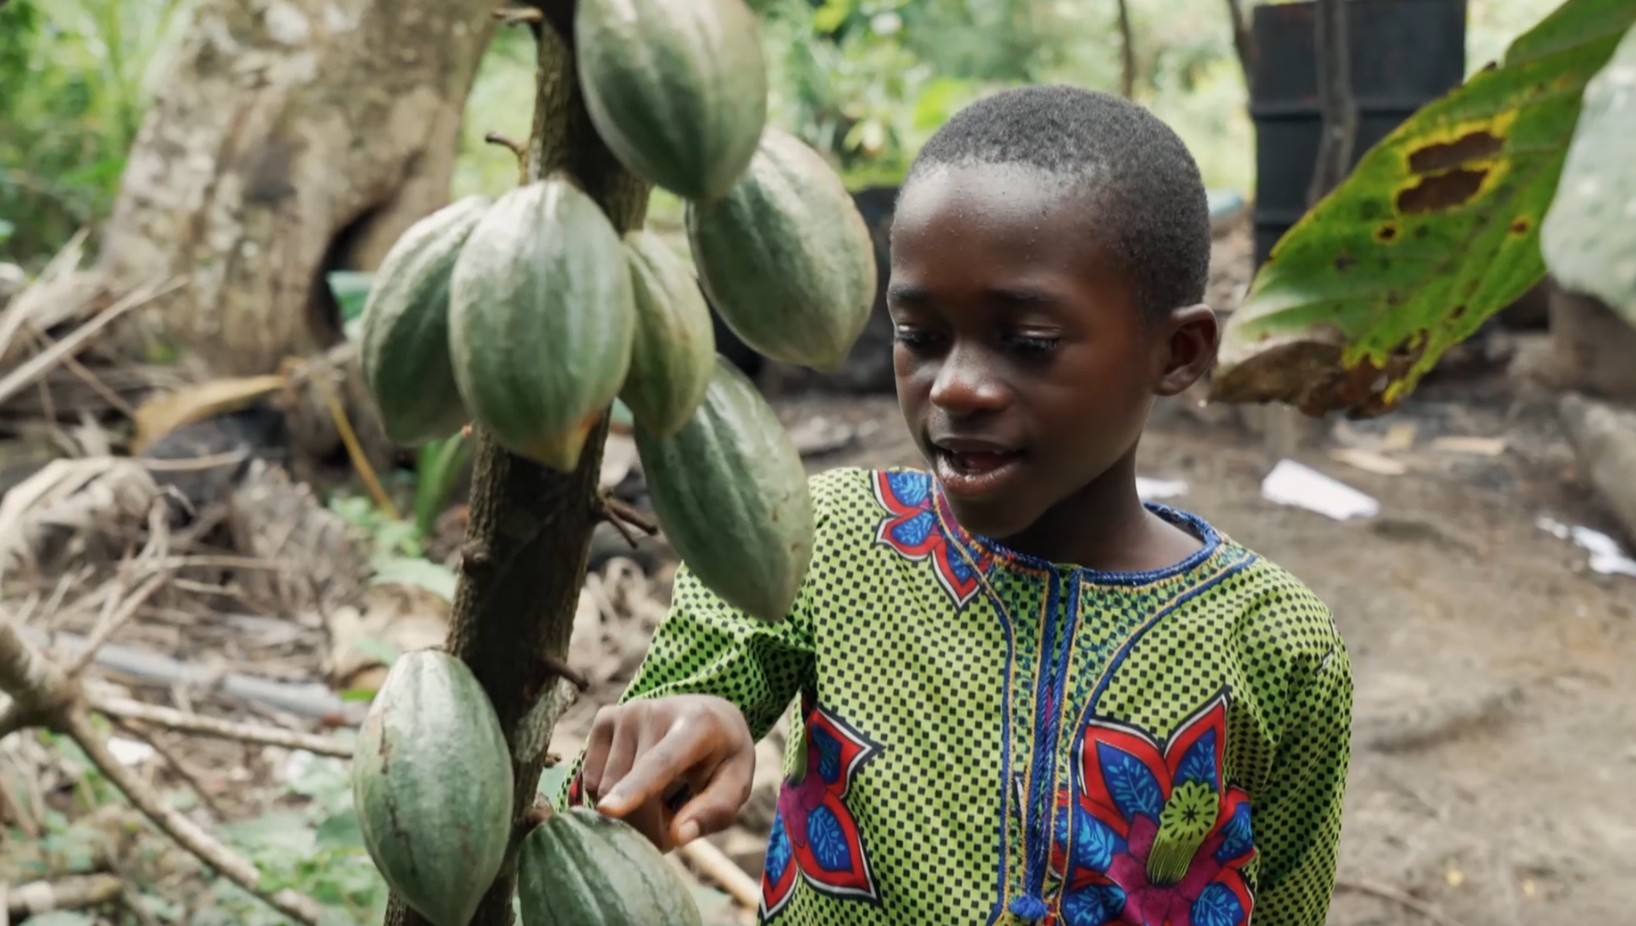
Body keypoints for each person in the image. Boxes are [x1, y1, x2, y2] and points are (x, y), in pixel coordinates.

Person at [560, 84, 1354, 926]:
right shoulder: (808, 539)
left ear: (1179, 352)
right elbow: (620, 786)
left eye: (1029, 342)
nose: (957, 385)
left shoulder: (1278, 645)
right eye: (919, 336)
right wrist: (687, 733)